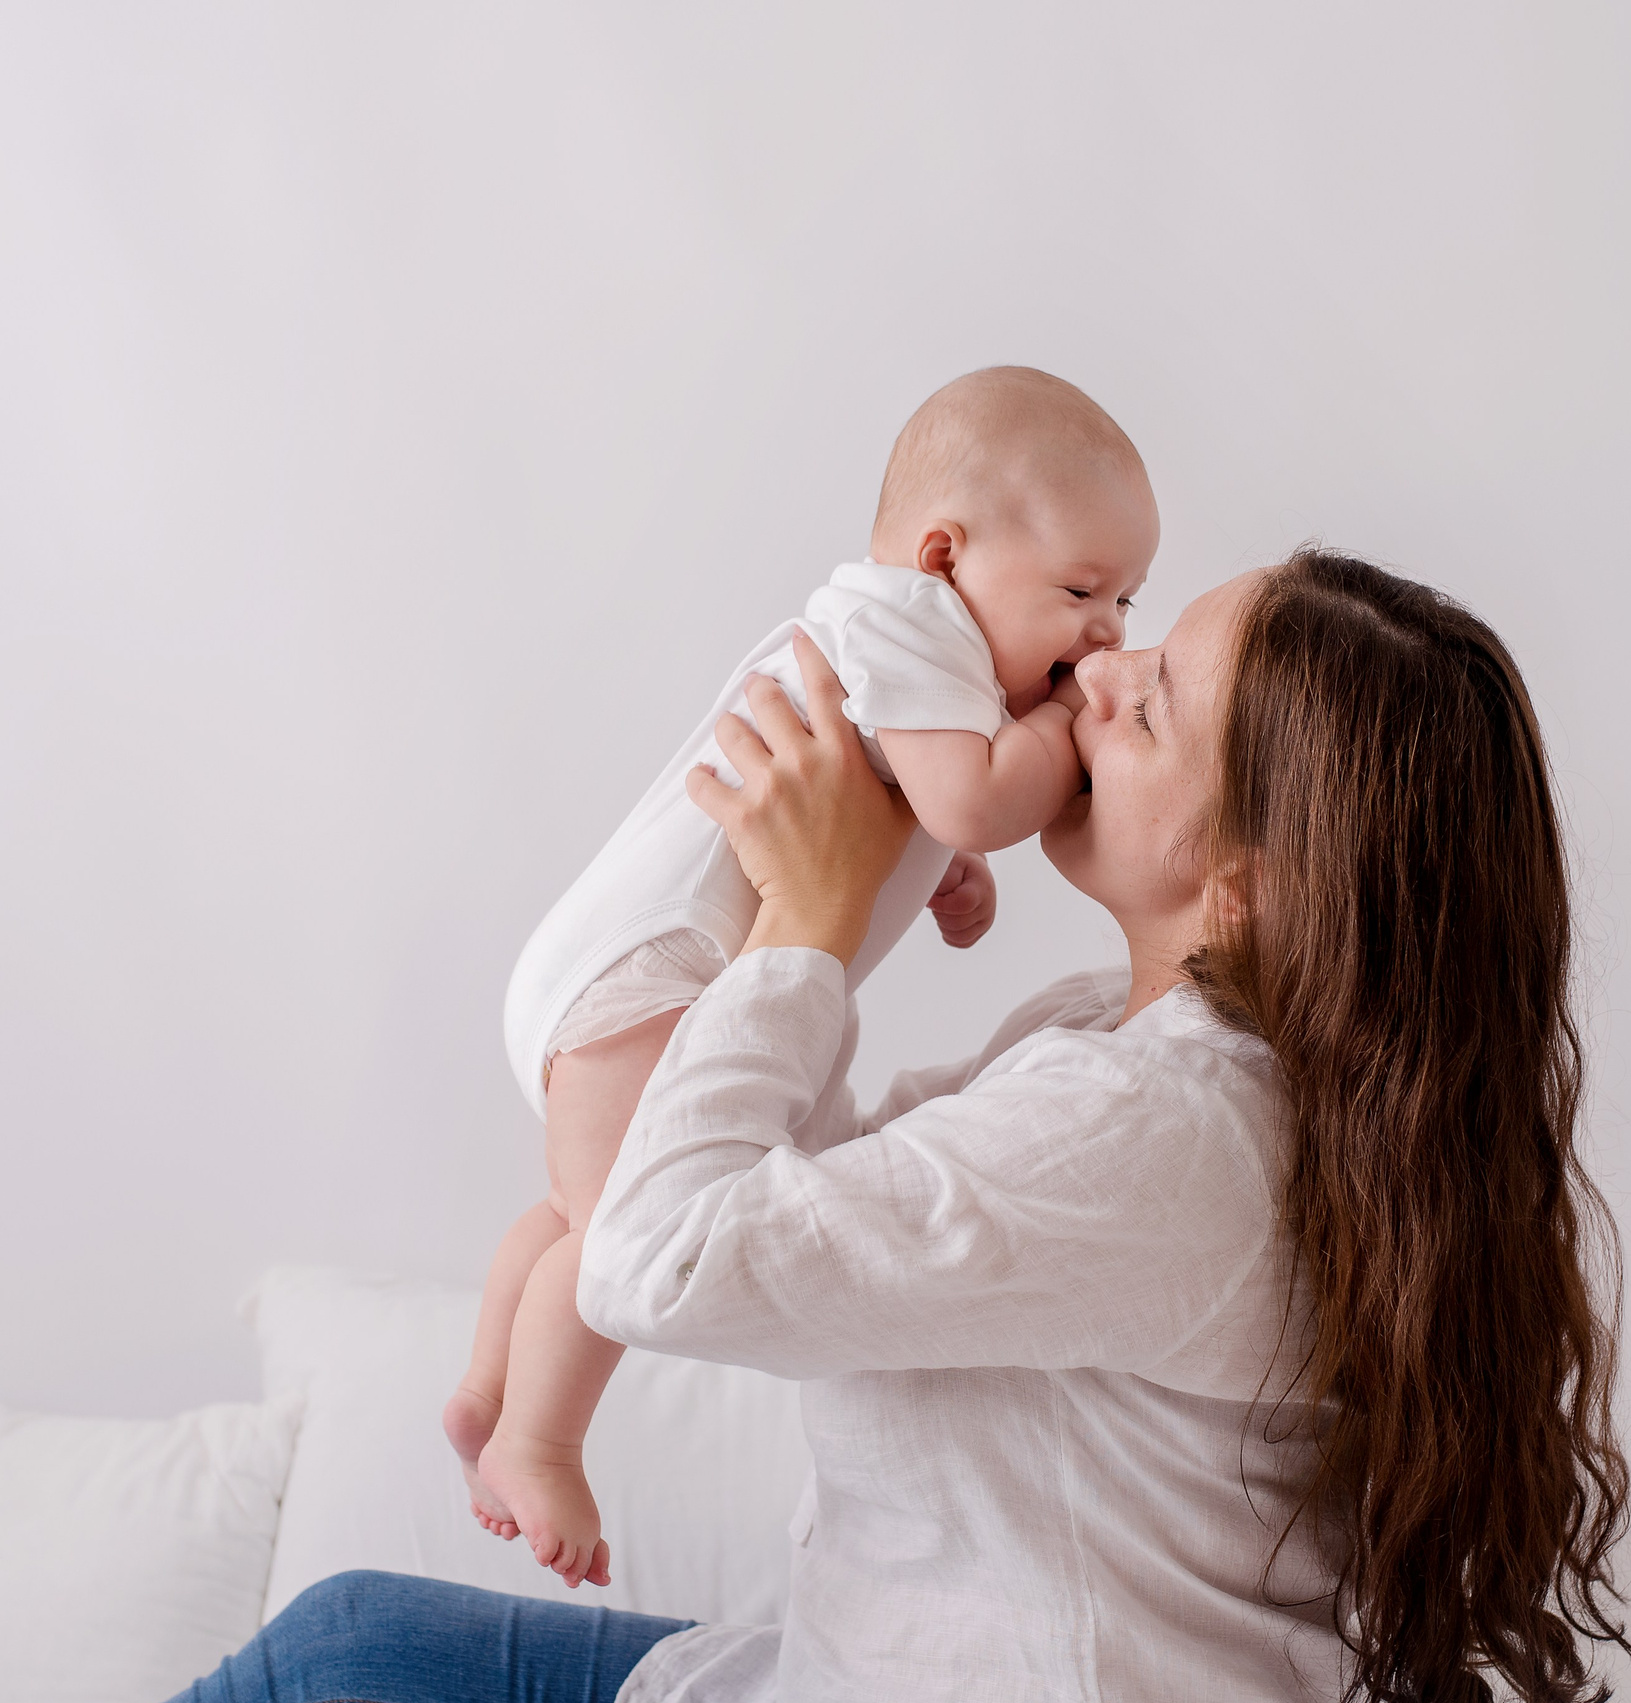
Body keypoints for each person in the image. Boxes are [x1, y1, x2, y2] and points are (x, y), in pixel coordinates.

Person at [175, 549, 1631, 1703]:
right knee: (351, 1640)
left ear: (1251, 886)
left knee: (339, 1664)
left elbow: (661, 1259)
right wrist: (831, 891)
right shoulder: (1133, 1055)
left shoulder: (1158, 1127)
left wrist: (810, 919)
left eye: (1154, 701)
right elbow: (796, 1194)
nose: (1095, 673)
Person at [451, 367, 1158, 1586]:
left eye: (1127, 598)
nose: (1106, 636)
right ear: (943, 556)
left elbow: (908, 811)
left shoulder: (903, 651)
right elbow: (968, 797)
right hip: (658, 970)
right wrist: (1043, 752)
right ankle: (541, 1438)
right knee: (624, 1230)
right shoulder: (914, 624)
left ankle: (483, 1390)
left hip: (617, 961)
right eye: (1082, 591)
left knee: (578, 1207)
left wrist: (941, 871)